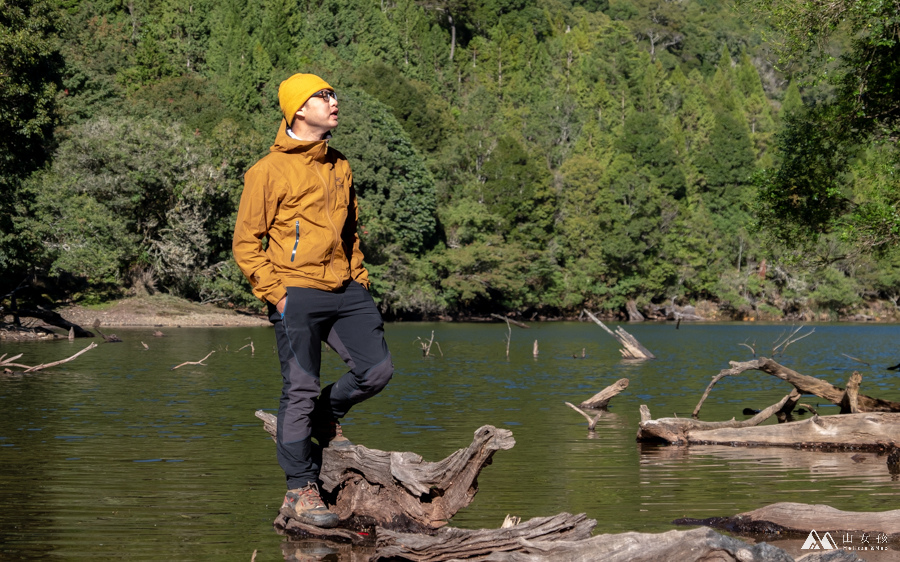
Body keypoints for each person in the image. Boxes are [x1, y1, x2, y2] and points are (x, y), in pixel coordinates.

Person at [232, 73, 394, 529]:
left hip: (345, 288)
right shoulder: (266, 171)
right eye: (323, 96)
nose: (334, 101)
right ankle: (300, 490)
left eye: (333, 93)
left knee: (376, 370)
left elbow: (350, 233)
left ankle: (327, 414)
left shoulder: (339, 164)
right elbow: (246, 243)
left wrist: (358, 279)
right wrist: (278, 295)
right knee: (298, 388)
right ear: (298, 109)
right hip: (295, 291)